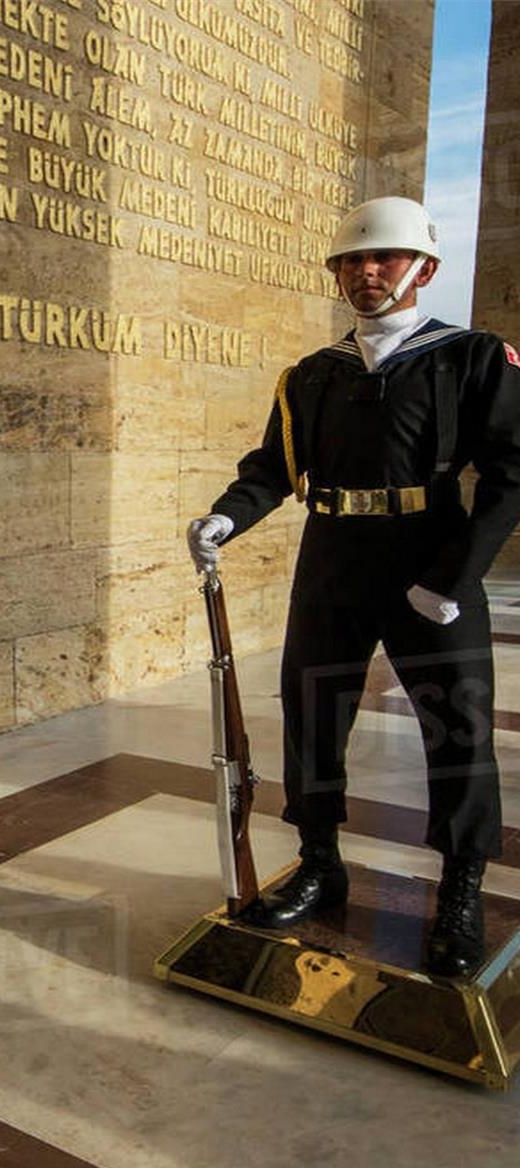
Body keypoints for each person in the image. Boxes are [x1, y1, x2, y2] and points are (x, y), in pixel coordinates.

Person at [187, 196, 520, 976]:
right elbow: (273, 470)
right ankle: (319, 860)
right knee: (313, 712)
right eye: (350, 261)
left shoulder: (472, 357)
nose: (365, 272)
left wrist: (454, 577)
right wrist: (226, 518)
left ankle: (462, 885)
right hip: (333, 555)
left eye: (384, 259)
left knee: (458, 730)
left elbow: (511, 475)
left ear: (423, 270)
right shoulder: (313, 375)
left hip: (428, 558)